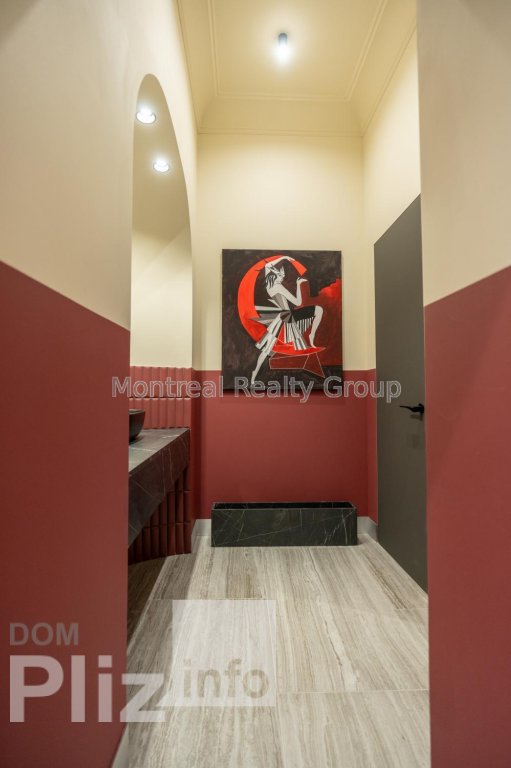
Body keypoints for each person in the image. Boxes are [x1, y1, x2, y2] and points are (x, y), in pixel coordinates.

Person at [250, 255, 323, 385]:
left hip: (281, 318)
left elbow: (267, 266)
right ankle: (311, 335)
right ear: (275, 274)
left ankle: (254, 374)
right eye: (281, 274)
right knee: (319, 310)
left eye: (283, 274)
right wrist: (298, 285)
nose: (283, 277)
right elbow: (298, 302)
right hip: (288, 317)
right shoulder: (279, 287)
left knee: (267, 350)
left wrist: (283, 258)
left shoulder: (269, 286)